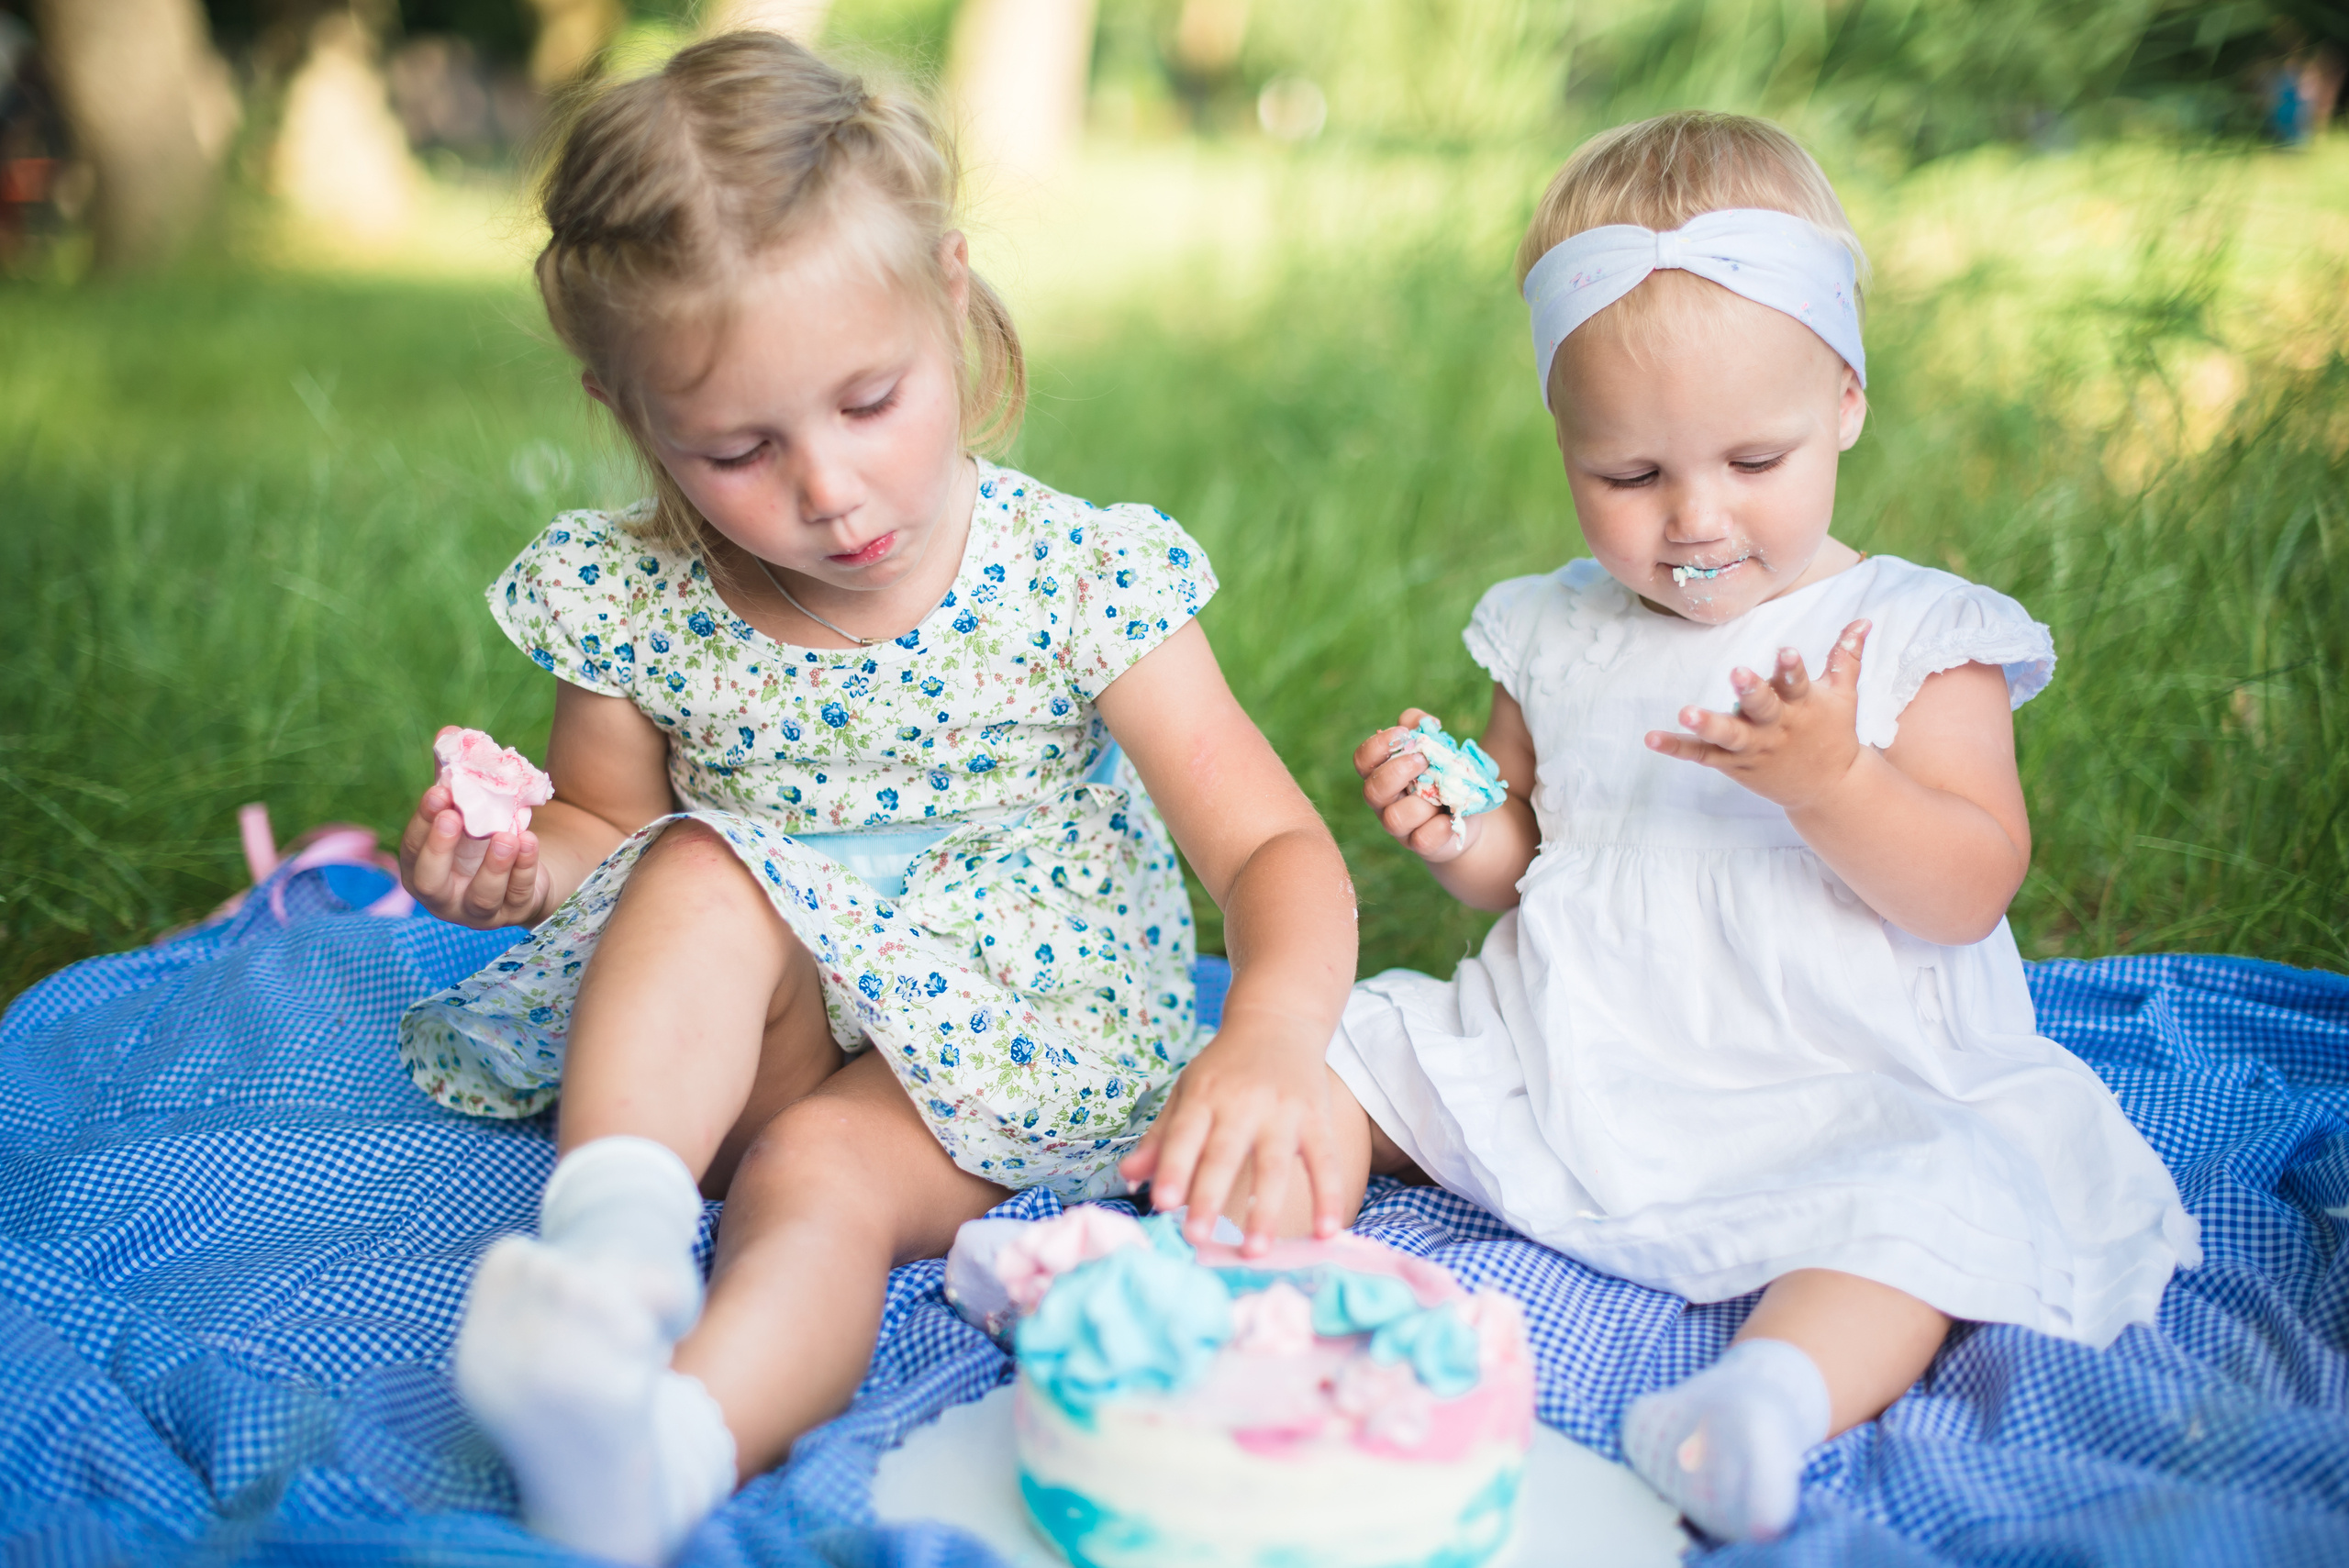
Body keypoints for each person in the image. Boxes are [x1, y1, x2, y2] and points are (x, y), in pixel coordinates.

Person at [393, 33, 1363, 1566]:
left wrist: (1269, 1035)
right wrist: (514, 868)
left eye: (870, 401)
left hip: (1010, 1020)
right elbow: (603, 827)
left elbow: (1269, 844)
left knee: (812, 1183)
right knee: (704, 867)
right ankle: (605, 1262)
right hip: (750, 1015)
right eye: (738, 447)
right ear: (629, 409)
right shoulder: (636, 593)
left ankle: (664, 1448)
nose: (829, 489)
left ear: (952, 298)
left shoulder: (1069, 577)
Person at [1333, 112, 2199, 1544]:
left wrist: (1835, 785)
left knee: (1942, 1195)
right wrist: (1451, 830)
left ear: (1846, 398)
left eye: (1754, 458)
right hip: (1580, 1042)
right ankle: (1211, 1248)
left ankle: (1763, 1400)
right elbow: (1521, 860)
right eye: (1629, 476)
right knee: (1348, 1036)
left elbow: (1967, 887)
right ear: (1567, 439)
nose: (1694, 519)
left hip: (1835, 1068)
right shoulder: (1554, 629)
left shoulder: (1915, 637)